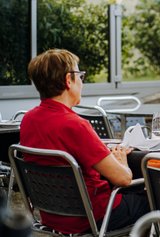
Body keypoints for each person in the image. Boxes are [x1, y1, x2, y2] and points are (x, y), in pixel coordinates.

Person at [20, 49, 149, 234]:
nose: (82, 82)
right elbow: (123, 178)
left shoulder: (29, 120)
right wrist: (121, 161)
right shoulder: (76, 125)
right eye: (80, 76)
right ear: (68, 80)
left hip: (53, 214)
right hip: (93, 216)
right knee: (159, 197)